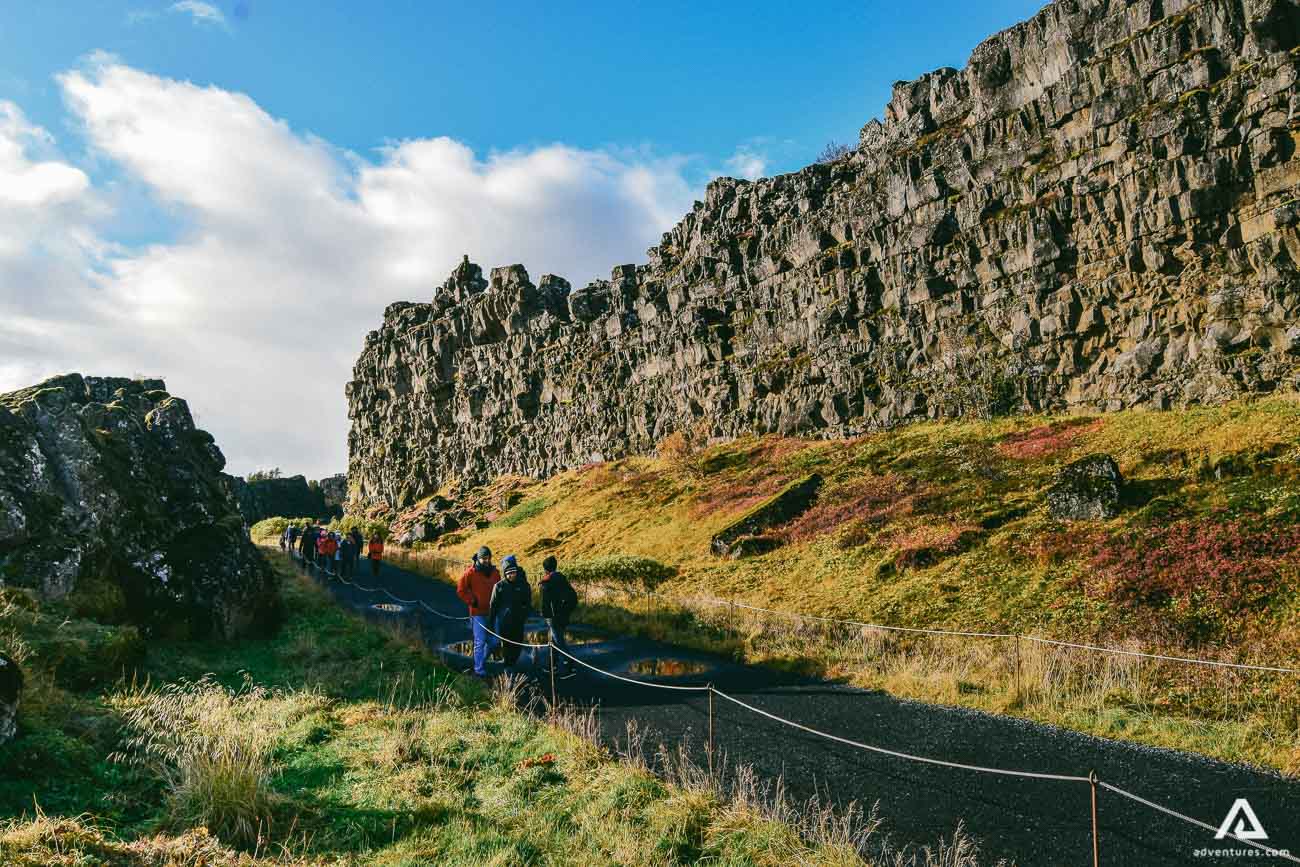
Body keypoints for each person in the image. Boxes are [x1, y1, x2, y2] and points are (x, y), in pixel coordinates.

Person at [457, 546, 501, 677]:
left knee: (494, 642)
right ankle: (479, 669)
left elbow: (500, 589)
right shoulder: (470, 573)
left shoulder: (495, 572)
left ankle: (480, 661)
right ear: (478, 558)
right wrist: (472, 600)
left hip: (492, 613)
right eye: (483, 558)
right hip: (477, 614)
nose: (486, 561)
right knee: (480, 642)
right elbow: (461, 590)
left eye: (488, 558)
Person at [489, 555, 532, 669]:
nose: (511, 575)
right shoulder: (499, 586)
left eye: (513, 572)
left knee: (517, 645)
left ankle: (511, 663)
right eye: (508, 573)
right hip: (504, 623)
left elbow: (528, 603)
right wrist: (491, 622)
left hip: (518, 622)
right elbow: (493, 606)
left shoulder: (523, 585)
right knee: (507, 646)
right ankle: (508, 668)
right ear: (505, 574)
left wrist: (524, 615)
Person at [539, 555, 579, 677]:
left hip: (553, 617)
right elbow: (573, 597)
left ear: (545, 569)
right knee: (555, 641)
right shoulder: (562, 579)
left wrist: (546, 616)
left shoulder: (546, 582)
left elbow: (545, 603)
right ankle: (552, 665)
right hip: (563, 615)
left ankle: (570, 667)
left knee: (559, 642)